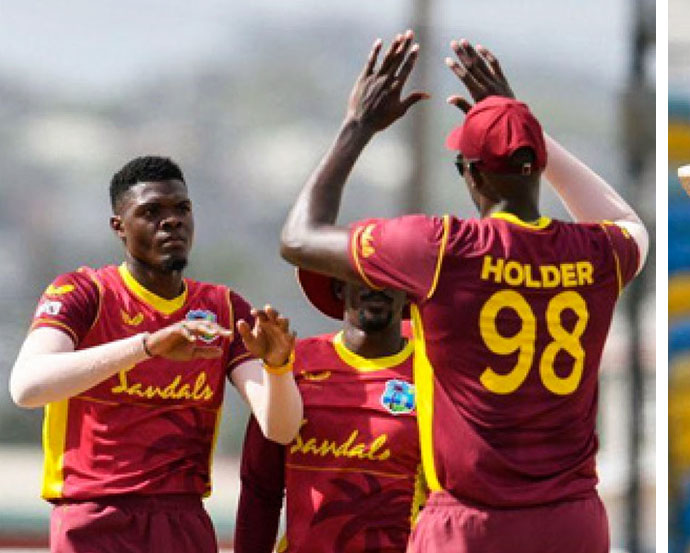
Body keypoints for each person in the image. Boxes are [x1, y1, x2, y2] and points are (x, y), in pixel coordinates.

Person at [277, 31, 648, 553]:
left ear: (471, 175)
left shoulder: (444, 249)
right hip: (573, 523)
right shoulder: (597, 252)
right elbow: (630, 223)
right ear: (538, 165)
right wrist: (523, 124)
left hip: (471, 526)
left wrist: (357, 127)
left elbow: (298, 237)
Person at [9, 155, 304, 553]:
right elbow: (27, 387)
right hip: (95, 515)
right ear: (119, 227)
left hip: (182, 519)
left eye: (182, 209)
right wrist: (147, 346)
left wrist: (278, 366)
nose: (172, 221)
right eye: (151, 212)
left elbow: (281, 429)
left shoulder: (224, 308)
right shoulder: (85, 293)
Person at [234, 269, 423, 553]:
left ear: (406, 292)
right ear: (339, 288)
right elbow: (260, 488)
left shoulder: (434, 374)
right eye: (365, 277)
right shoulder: (291, 363)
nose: (377, 288)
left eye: (389, 278)